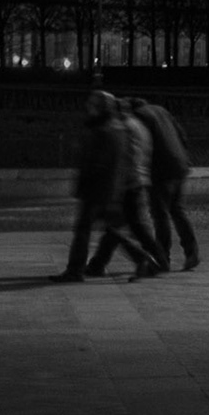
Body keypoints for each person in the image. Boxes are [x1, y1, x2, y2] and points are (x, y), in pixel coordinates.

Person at [51, 92, 160, 283]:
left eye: (92, 105)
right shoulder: (116, 128)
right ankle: (142, 259)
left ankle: (75, 270)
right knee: (114, 229)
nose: (88, 108)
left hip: (98, 189)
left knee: (84, 230)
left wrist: (85, 183)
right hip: (110, 189)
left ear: (100, 108)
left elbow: (97, 162)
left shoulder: (104, 129)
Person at [84, 98, 164, 278]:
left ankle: (154, 260)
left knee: (123, 226)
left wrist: (115, 184)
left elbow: (124, 158)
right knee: (120, 225)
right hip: (139, 179)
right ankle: (98, 263)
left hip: (128, 182)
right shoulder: (139, 126)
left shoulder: (125, 128)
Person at [130, 97, 199, 271]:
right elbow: (182, 135)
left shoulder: (139, 116)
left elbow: (143, 144)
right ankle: (192, 252)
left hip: (161, 170)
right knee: (177, 210)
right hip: (179, 166)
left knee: (160, 215)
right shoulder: (162, 111)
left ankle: (163, 257)